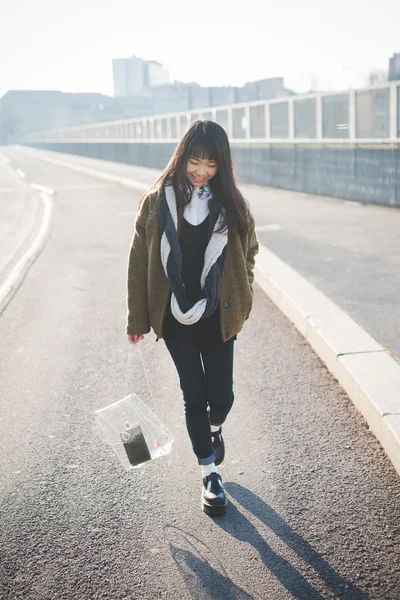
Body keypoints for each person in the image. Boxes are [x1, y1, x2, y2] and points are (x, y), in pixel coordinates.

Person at [126, 120, 258, 516]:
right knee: (193, 394)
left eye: (211, 164)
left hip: (218, 314)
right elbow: (137, 261)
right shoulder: (156, 202)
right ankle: (209, 473)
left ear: (222, 165)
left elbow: (249, 253)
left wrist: (242, 291)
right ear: (183, 157)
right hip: (173, 316)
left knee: (221, 396)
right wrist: (137, 319)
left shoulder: (231, 205)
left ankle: (215, 428)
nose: (201, 170)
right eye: (195, 161)